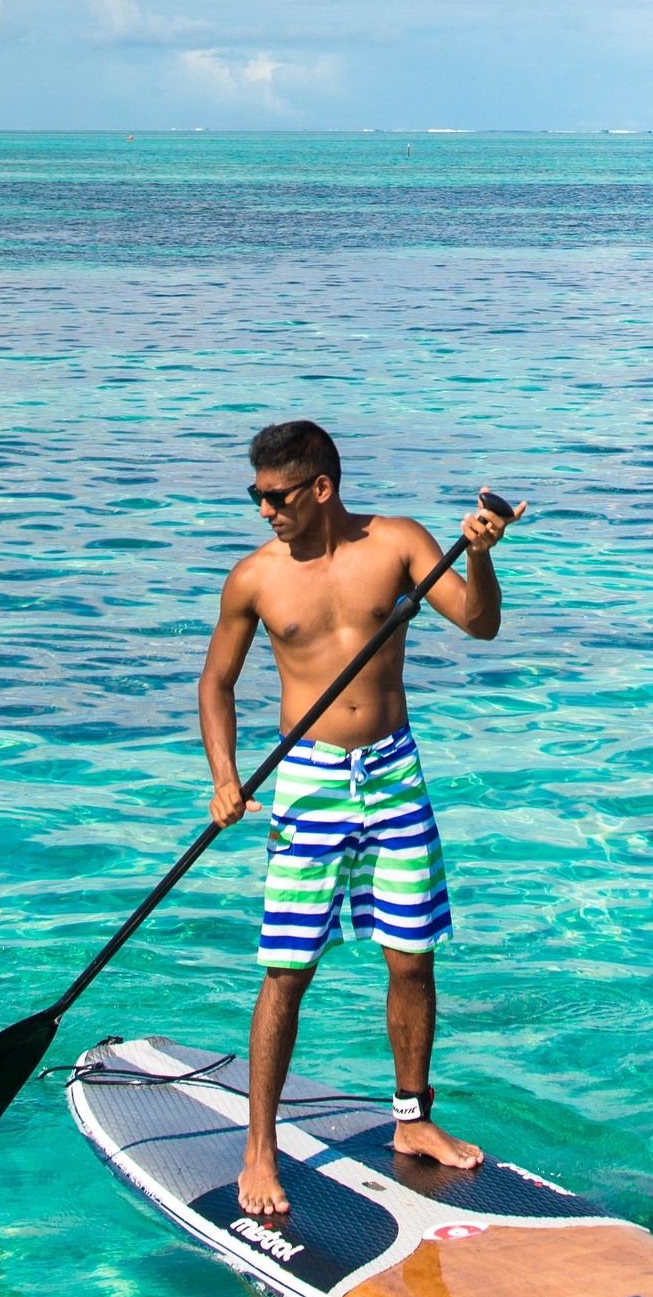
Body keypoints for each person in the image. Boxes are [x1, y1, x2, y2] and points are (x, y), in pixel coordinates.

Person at [199, 418, 517, 1223]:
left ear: (320, 489)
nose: (263, 510)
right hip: (305, 783)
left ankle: (412, 1121)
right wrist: (226, 779)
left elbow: (479, 624)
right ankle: (260, 1146)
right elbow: (217, 685)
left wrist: (477, 553)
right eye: (255, 495)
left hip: (394, 770)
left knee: (411, 959)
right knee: (287, 970)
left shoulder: (400, 544)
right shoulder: (254, 579)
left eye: (275, 496)